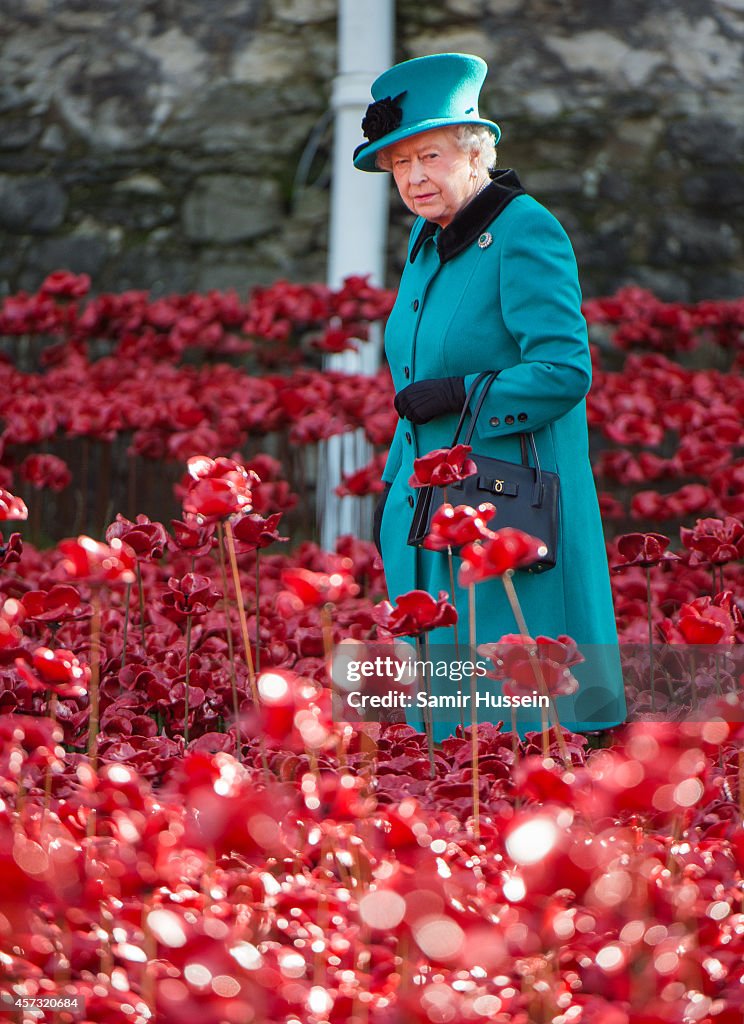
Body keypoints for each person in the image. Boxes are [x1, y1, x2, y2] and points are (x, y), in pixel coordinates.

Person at [354, 53, 627, 739]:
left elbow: (565, 369)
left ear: (478, 150)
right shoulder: (426, 234)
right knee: (442, 723)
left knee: (516, 725)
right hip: (427, 511)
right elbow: (414, 364)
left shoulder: (525, 229)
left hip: (505, 511)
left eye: (431, 156)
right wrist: (394, 490)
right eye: (400, 165)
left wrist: (464, 392)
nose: (415, 178)